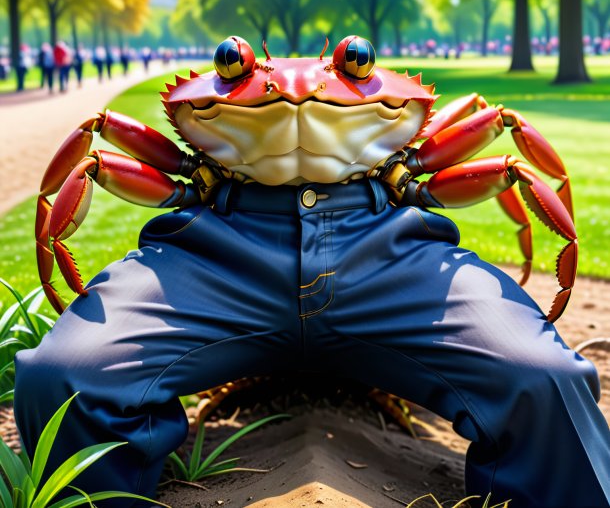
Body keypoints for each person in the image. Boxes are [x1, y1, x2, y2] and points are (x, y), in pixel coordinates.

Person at [14, 35, 610, 508]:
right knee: (64, 376)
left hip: (393, 250)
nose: (297, 90)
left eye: (354, 62)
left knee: (545, 379)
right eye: (233, 63)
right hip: (209, 253)